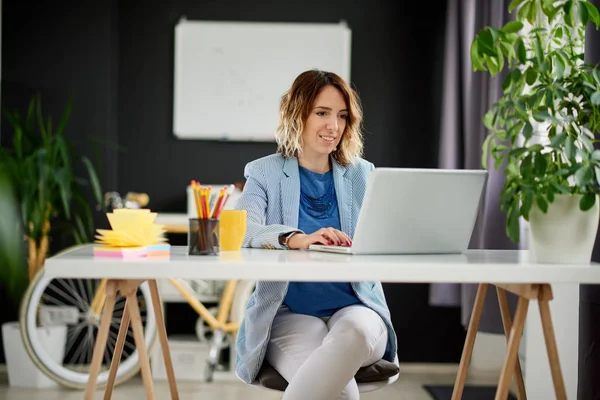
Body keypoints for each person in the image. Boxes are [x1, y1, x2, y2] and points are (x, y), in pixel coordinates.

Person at [234, 69, 398, 400]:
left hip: (357, 308)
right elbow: (243, 229)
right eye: (321, 113)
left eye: (341, 116)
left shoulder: (363, 175)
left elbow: (386, 238)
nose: (333, 126)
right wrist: (295, 238)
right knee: (342, 396)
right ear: (298, 115)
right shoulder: (264, 173)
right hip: (290, 314)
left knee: (354, 332)